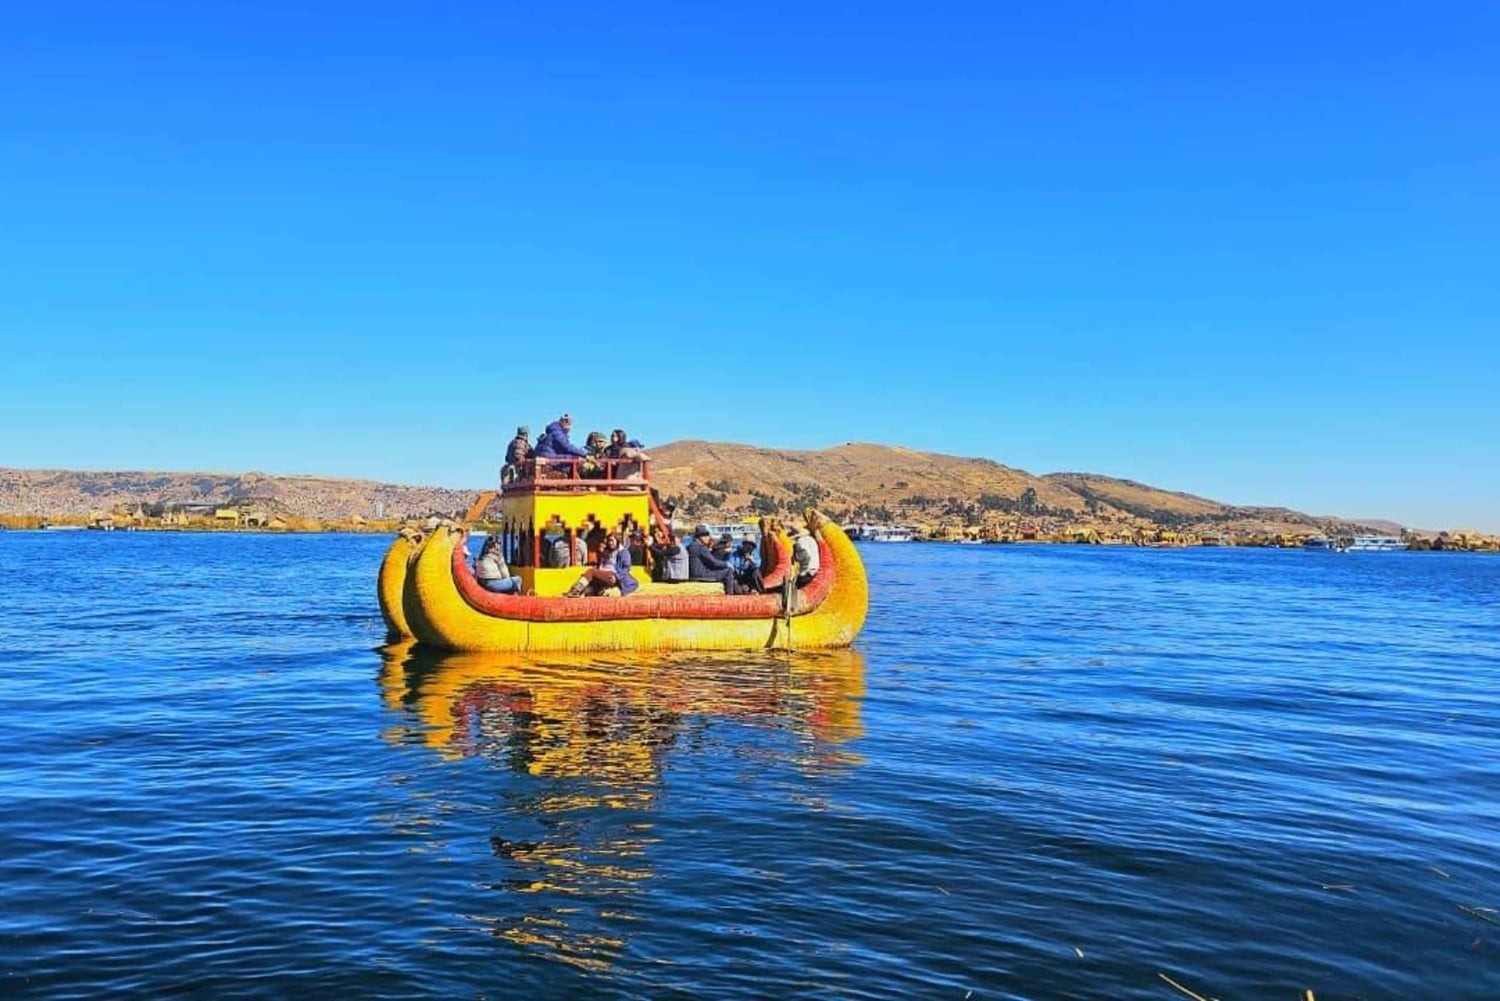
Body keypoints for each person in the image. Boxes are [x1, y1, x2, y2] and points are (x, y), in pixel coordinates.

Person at [563, 531, 639, 597]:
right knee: (592, 585)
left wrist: (617, 577)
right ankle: (580, 593)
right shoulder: (607, 551)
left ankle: (575, 590)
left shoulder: (623, 552)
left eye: (612, 541)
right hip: (604, 574)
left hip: (613, 575)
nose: (610, 543)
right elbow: (601, 565)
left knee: (591, 572)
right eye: (609, 541)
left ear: (617, 541)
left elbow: (626, 569)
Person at [686, 524, 741, 594]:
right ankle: (729, 596)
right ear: (698, 537)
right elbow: (713, 562)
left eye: (707, 535)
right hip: (700, 575)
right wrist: (727, 564)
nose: (707, 538)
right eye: (703, 536)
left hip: (693, 574)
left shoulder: (690, 546)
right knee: (728, 571)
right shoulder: (700, 547)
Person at [788, 523, 821, 588]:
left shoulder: (800, 542)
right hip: (815, 569)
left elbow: (805, 556)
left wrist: (794, 555)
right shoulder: (811, 540)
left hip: (807, 572)